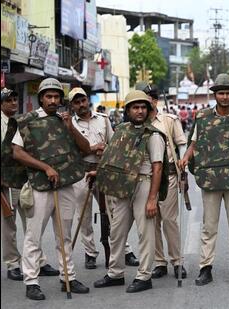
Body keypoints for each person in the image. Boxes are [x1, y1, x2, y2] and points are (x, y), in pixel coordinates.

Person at [12, 78, 92, 300]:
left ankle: (68, 277)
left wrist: (70, 128)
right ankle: (31, 281)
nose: (53, 100)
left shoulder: (64, 120)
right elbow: (17, 153)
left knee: (64, 235)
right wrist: (45, 167)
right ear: (41, 98)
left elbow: (85, 149)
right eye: (49, 96)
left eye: (57, 97)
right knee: (33, 236)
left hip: (65, 185)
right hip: (40, 187)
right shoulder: (28, 121)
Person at [180, 73, 229, 286]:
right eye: (221, 93)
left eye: (228, 93)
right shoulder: (202, 117)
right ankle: (205, 268)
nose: (225, 97)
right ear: (215, 95)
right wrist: (185, 157)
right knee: (209, 227)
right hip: (211, 180)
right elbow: (193, 143)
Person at [93, 90, 168, 293]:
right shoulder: (122, 130)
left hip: (144, 184)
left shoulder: (153, 135)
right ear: (127, 110)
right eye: (135, 107)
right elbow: (114, 158)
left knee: (146, 233)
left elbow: (157, 168)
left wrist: (152, 198)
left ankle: (144, 276)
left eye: (143, 107)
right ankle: (115, 273)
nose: (140, 111)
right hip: (122, 186)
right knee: (116, 231)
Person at [1, 88, 58, 282]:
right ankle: (13, 264)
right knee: (8, 225)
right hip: (5, 182)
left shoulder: (22, 121)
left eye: (15, 99)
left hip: (26, 179)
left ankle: (38, 262)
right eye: (9, 100)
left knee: (33, 223)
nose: (13, 102)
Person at [135, 82, 188, 279]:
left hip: (168, 177)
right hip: (144, 179)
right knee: (152, 222)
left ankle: (177, 261)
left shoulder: (168, 120)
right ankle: (159, 262)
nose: (143, 104)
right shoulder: (134, 124)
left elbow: (181, 144)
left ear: (154, 100)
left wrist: (184, 168)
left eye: (147, 99)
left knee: (169, 221)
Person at [69, 87, 113, 270]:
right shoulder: (69, 125)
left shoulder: (103, 120)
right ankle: (90, 253)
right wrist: (93, 147)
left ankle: (122, 250)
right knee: (84, 216)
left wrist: (105, 150)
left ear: (88, 101)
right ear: (72, 105)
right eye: (77, 102)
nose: (81, 105)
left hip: (103, 170)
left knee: (113, 212)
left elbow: (114, 144)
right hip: (83, 173)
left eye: (83, 100)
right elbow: (71, 152)